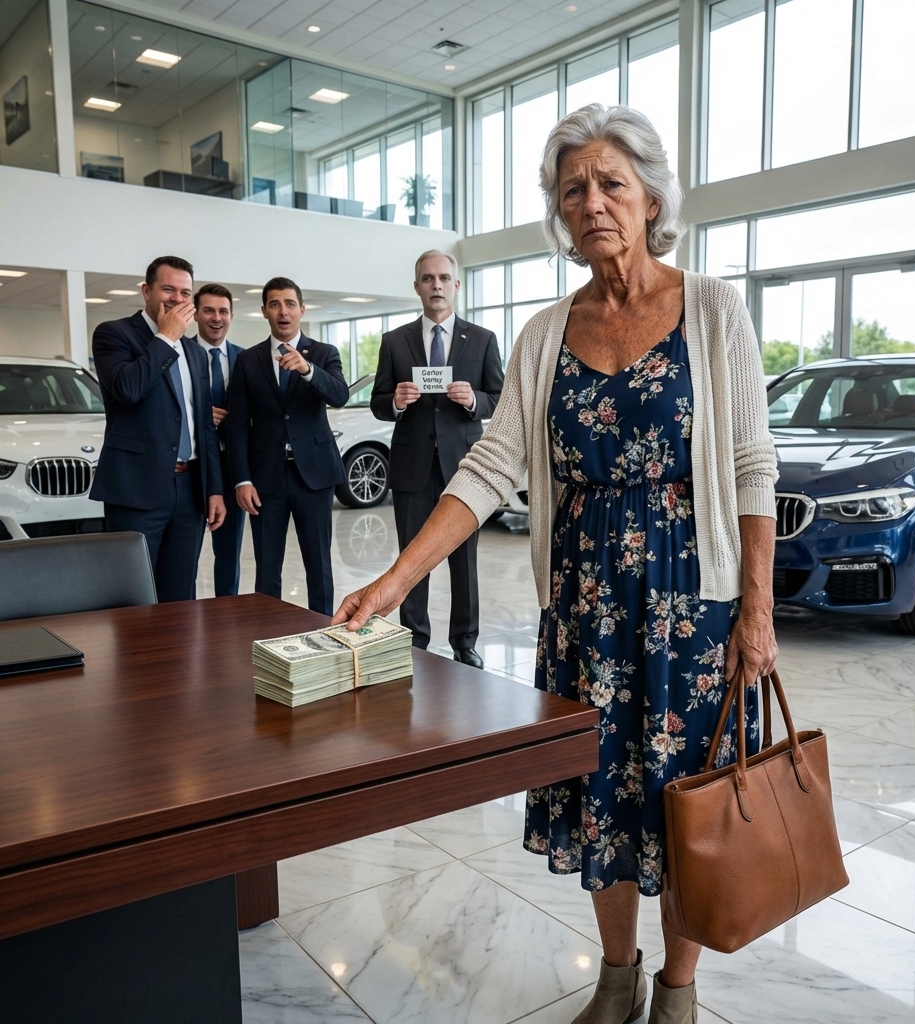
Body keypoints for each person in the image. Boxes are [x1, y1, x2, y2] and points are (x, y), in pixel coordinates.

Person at [333, 104, 778, 1024]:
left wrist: (759, 610)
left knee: (687, 799)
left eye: (612, 183)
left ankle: (678, 988)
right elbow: (488, 468)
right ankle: (616, 977)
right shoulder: (544, 334)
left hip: (692, 603)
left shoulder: (714, 310)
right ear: (559, 214)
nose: (593, 203)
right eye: (573, 190)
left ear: (652, 198)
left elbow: (752, 466)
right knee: (602, 794)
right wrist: (395, 580)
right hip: (584, 608)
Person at [370, 250, 504, 667]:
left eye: (444, 278)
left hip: (464, 469)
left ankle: (465, 642)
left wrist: (473, 400)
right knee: (412, 558)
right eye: (428, 279)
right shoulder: (395, 341)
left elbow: (499, 398)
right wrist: (395, 401)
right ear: (417, 287)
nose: (437, 285)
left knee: (464, 562)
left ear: (456, 285)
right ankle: (414, 641)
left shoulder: (482, 339)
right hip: (412, 469)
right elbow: (377, 402)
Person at [91, 255, 226, 602]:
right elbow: (128, 389)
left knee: (181, 596)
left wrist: (214, 488)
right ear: (146, 291)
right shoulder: (113, 334)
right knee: (132, 595)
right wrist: (166, 337)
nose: (177, 299)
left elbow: (203, 426)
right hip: (136, 488)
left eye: (185, 293)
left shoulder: (195, 352)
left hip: (190, 490)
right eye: (168, 290)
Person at [227, 277, 349, 615]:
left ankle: (323, 631)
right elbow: (237, 425)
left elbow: (340, 395)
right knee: (267, 568)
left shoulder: (324, 353)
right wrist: (242, 480)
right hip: (266, 479)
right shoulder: (248, 360)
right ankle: (268, 633)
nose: (283, 312)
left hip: (314, 475)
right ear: (264, 311)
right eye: (275, 305)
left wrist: (308, 370)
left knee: (319, 566)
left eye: (290, 304)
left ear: (302, 310)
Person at [194, 283, 245, 597]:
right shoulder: (178, 353)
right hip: (190, 468)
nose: (216, 318)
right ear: (195, 314)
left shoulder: (245, 358)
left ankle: (228, 614)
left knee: (228, 554)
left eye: (223, 311)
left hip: (230, 469)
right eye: (209, 310)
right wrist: (200, 415)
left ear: (231, 316)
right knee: (183, 555)